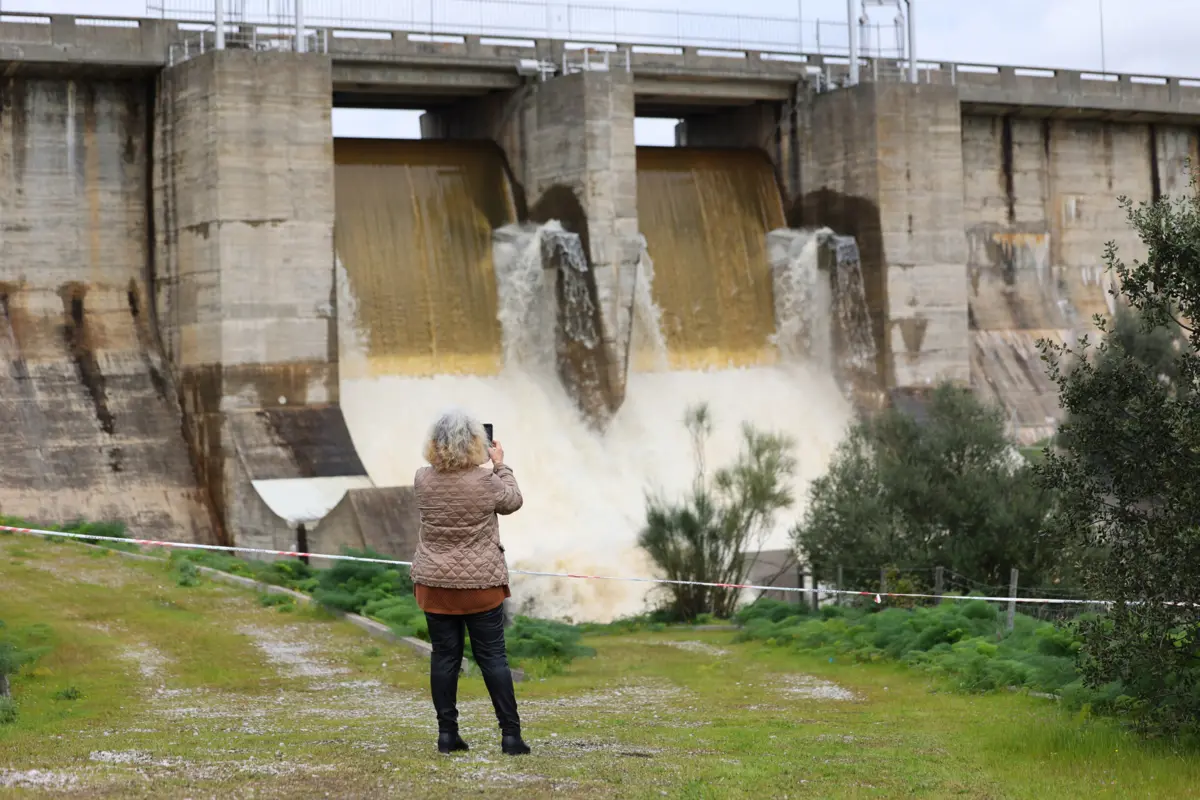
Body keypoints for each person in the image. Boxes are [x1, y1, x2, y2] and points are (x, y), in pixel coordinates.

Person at [410, 409, 530, 756]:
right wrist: (500, 465)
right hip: (481, 586)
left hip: (435, 585)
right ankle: (510, 736)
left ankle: (447, 736)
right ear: (477, 442)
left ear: (434, 443)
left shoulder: (422, 479)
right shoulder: (486, 481)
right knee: (493, 658)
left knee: (444, 658)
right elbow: (513, 501)